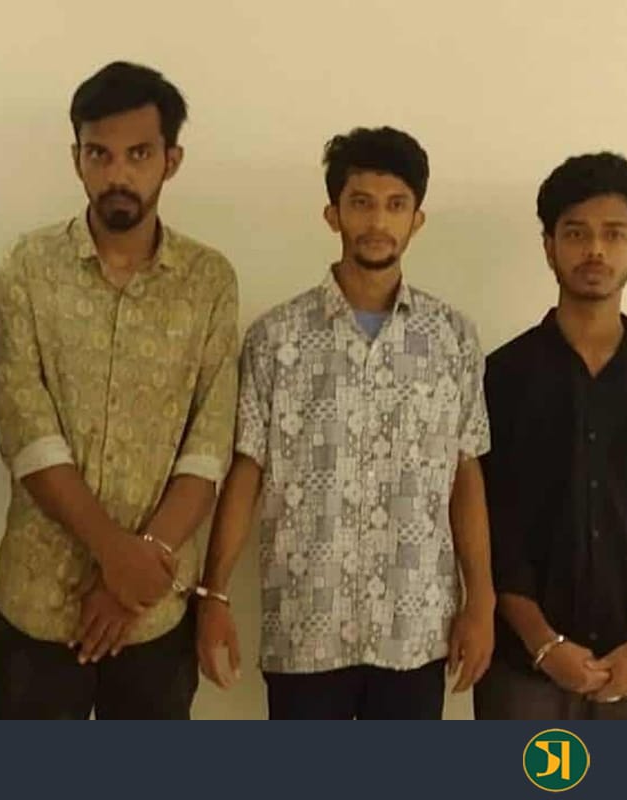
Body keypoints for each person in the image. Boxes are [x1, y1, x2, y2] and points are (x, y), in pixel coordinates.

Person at [198, 126, 494, 719]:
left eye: (396, 204)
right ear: (333, 213)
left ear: (417, 219)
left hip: (415, 628)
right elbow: (247, 471)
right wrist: (214, 593)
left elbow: (464, 473)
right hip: (308, 624)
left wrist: (480, 600)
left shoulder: (452, 339)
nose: (378, 221)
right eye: (361, 202)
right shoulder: (276, 338)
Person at [0, 61, 239, 719]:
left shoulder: (209, 281)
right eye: (99, 154)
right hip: (38, 602)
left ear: (171, 160)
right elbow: (26, 429)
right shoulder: (27, 268)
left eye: (139, 154)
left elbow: (208, 445)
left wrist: (139, 569)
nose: (117, 174)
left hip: (154, 614)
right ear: (76, 158)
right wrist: (116, 556)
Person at [475, 152, 627, 720]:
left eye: (614, 234)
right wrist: (543, 644)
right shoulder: (499, 378)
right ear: (549, 245)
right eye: (577, 233)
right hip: (521, 667)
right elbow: (489, 527)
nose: (595, 250)